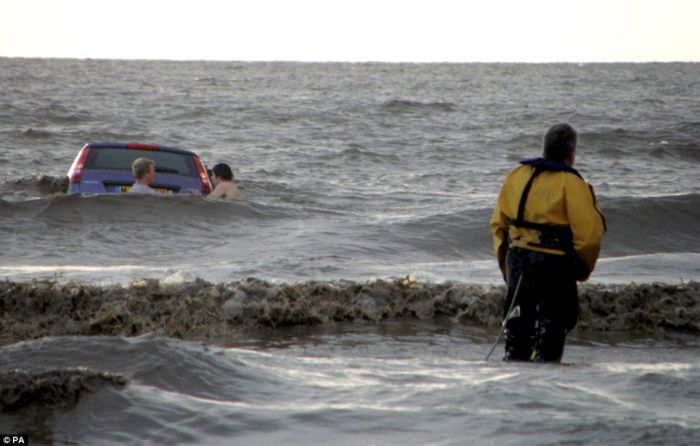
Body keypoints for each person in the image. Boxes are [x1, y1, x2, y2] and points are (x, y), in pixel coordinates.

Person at [489, 123, 606, 363]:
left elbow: (498, 226)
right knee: (551, 335)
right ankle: (544, 385)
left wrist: (506, 267)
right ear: (571, 154)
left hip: (519, 262)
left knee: (517, 334)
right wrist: (584, 268)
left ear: (545, 148)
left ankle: (515, 380)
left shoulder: (517, 176)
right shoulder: (573, 185)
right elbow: (589, 237)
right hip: (555, 267)